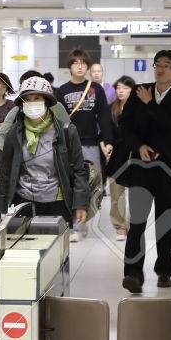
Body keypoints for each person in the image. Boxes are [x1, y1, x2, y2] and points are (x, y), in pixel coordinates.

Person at [111, 50, 171, 293]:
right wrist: (139, 145)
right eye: (158, 64)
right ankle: (133, 274)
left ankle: (164, 270)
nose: (160, 69)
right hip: (142, 167)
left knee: (165, 222)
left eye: (167, 65)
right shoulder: (140, 91)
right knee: (136, 222)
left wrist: (150, 105)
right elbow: (125, 125)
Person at [0, 76, 89, 226]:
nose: (32, 103)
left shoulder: (67, 132)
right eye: (28, 99)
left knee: (54, 248)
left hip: (57, 204)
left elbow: (79, 170)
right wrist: (1, 207)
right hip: (23, 204)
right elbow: (6, 172)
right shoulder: (14, 133)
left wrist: (80, 204)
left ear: (46, 101)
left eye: (37, 98)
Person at [53, 49, 115, 234]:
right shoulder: (62, 91)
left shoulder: (97, 89)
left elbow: (104, 116)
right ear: (70, 66)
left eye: (83, 63)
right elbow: (57, 120)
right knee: (70, 183)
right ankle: (76, 224)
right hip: (69, 145)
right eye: (75, 63)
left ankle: (84, 219)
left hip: (91, 144)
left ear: (87, 67)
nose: (79, 66)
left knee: (90, 183)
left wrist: (107, 140)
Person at [106, 75, 137, 240]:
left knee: (136, 194)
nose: (121, 91)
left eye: (125, 88)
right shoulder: (111, 109)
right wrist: (107, 145)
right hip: (117, 156)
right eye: (118, 88)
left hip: (135, 156)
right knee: (117, 194)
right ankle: (120, 227)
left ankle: (135, 226)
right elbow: (107, 132)